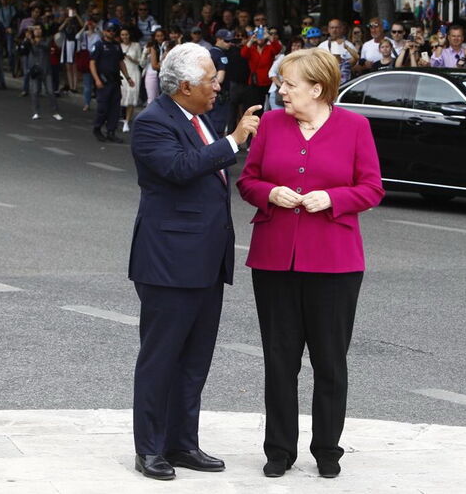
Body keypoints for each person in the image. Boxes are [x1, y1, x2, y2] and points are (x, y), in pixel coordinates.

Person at [237, 48, 384, 479]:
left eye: (289, 84)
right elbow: (247, 180)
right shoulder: (271, 125)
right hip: (274, 260)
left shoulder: (356, 127)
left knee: (329, 360)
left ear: (317, 89)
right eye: (281, 83)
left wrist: (333, 198)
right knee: (279, 359)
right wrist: (270, 193)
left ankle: (327, 450)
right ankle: (279, 450)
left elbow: (372, 188)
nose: (280, 90)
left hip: (335, 263)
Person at [128, 42, 261, 481]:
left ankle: (182, 442)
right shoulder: (152, 123)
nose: (217, 88)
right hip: (168, 261)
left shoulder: (200, 118)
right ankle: (149, 448)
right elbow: (182, 168)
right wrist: (235, 140)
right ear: (184, 85)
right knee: (161, 358)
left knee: (194, 360)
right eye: (210, 81)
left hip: (205, 259)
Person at [90, 20, 134, 143]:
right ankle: (97, 128)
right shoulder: (99, 45)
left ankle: (111, 131)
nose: (111, 33)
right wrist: (97, 79)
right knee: (103, 107)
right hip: (103, 81)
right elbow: (92, 63)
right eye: (109, 30)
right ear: (104, 31)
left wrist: (128, 77)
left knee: (115, 108)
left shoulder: (116, 45)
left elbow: (121, 62)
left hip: (115, 81)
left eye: (113, 30)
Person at [25, 27, 62, 121]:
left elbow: (46, 46)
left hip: (46, 69)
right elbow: (24, 49)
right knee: (35, 91)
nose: (37, 30)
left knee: (50, 91)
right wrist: (28, 39)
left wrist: (35, 42)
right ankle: (35, 112)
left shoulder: (47, 39)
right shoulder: (29, 41)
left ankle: (55, 112)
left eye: (39, 29)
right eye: (35, 29)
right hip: (35, 69)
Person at [119, 28, 142, 133]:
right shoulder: (118, 46)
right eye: (122, 35)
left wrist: (129, 57)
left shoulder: (136, 45)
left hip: (134, 72)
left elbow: (141, 62)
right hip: (122, 74)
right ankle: (119, 118)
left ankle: (127, 122)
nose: (125, 37)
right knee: (121, 96)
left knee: (132, 96)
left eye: (126, 34)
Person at [58, 7, 82, 93]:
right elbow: (60, 29)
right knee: (68, 66)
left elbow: (82, 26)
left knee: (74, 66)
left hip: (75, 43)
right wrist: (66, 21)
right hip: (67, 43)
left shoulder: (76, 22)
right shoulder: (65, 20)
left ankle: (75, 86)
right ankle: (71, 85)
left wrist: (76, 16)